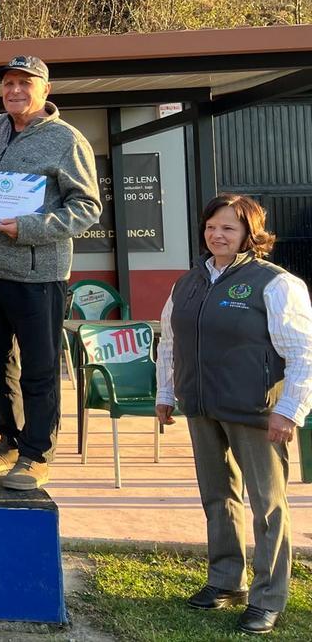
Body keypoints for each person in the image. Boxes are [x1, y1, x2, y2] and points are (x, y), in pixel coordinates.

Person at [156, 193, 312, 636]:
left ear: (249, 234)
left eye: (228, 228)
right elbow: (170, 343)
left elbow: (303, 351)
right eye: (211, 226)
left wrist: (290, 410)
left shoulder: (276, 283)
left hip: (257, 412)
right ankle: (226, 582)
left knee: (267, 507)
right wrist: (166, 392)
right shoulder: (188, 282)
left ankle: (268, 599)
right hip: (202, 408)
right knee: (218, 499)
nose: (216, 235)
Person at [0, 55, 100, 490]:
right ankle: (10, 442)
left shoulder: (66, 140)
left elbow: (87, 207)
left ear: (45, 90)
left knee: (39, 369)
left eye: (25, 83)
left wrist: (29, 228)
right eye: (9, 83)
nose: (15, 90)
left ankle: (37, 454)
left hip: (38, 275)